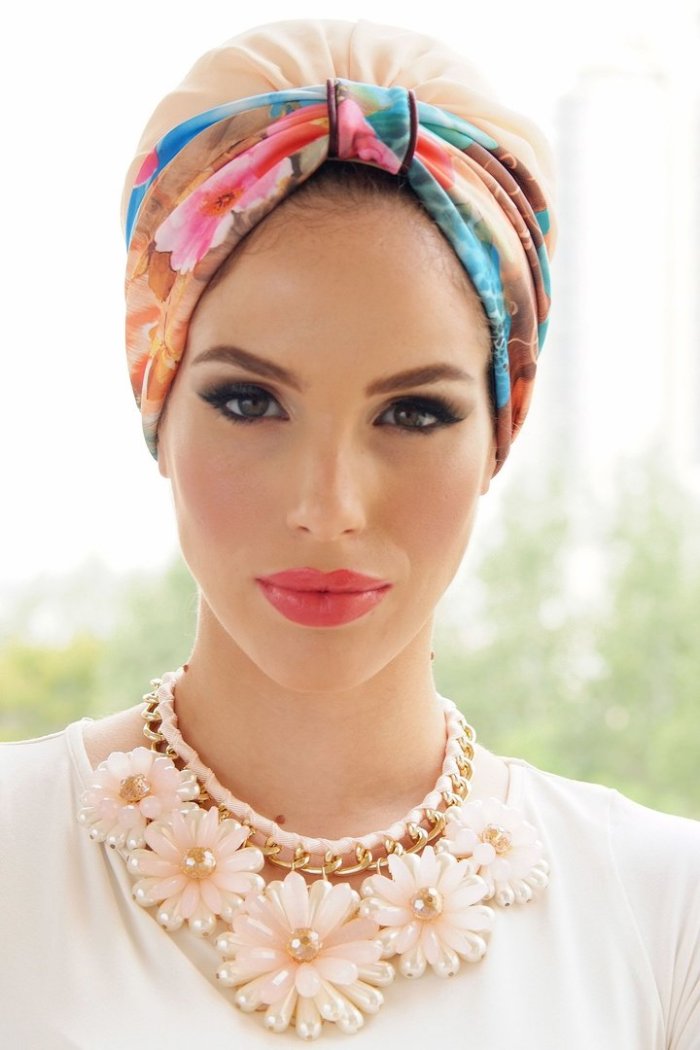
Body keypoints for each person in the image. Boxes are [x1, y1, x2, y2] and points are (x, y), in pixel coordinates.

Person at [1, 17, 698, 1049]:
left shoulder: (663, 915)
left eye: (413, 413)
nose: (329, 506)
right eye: (249, 402)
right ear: (157, 403)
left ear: (499, 434)